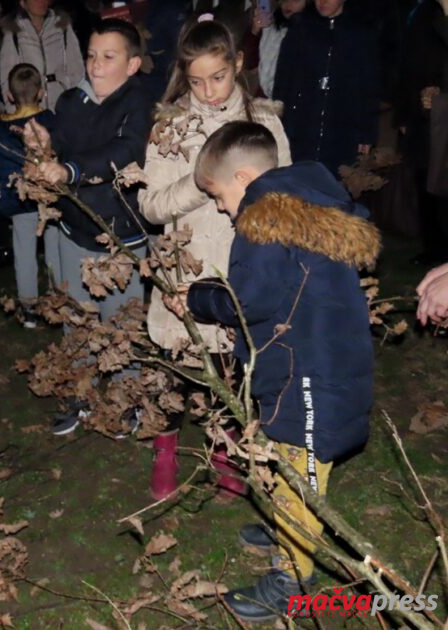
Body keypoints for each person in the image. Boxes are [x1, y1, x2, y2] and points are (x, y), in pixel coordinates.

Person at [178, 121, 378, 621]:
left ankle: (292, 577)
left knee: (301, 470)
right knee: (277, 449)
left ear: (243, 179)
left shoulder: (262, 221)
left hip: (312, 374)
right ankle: (283, 525)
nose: (223, 209)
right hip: (310, 361)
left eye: (220, 196)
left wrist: (196, 296)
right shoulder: (309, 205)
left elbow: (250, 300)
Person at [138, 16, 291, 501]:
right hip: (185, 264)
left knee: (230, 367)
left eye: (218, 78)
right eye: (196, 80)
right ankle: (165, 452)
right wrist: (199, 183)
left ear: (238, 64)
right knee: (174, 368)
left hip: (240, 267)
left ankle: (224, 452)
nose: (207, 91)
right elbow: (151, 204)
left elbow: (286, 193)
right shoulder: (171, 126)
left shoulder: (264, 122)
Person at [25, 18, 152, 435]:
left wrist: (70, 169)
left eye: (108, 57)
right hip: (72, 230)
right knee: (75, 316)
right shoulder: (75, 98)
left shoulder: (139, 103)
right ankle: (78, 393)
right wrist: (43, 142)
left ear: (132, 65)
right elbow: (59, 136)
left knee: (121, 323)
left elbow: (127, 150)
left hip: (117, 235)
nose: (96, 66)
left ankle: (125, 399)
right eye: (92, 55)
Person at [0, 63, 54, 328]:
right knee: (54, 248)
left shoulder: (0, 131)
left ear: (9, 96)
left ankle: (30, 307)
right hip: (51, 198)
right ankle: (61, 299)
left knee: (25, 252)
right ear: (42, 92)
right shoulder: (50, 121)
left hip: (19, 200)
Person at [273, 0, 380, 174]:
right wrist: (279, 118)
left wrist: (366, 133)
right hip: (302, 122)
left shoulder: (361, 33)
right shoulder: (301, 28)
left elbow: (368, 86)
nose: (322, 2)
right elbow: (284, 78)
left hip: (342, 125)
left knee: (335, 183)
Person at [394, 0, 448, 265]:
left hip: (442, 113)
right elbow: (407, 65)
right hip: (422, 115)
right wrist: (403, 113)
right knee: (425, 181)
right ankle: (433, 247)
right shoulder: (420, 12)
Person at [0, 0, 84, 113]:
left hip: (63, 101)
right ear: (23, 3)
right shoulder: (14, 31)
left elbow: (76, 67)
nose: (41, 2)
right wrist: (16, 112)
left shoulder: (61, 25)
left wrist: (77, 101)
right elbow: (7, 76)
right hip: (31, 105)